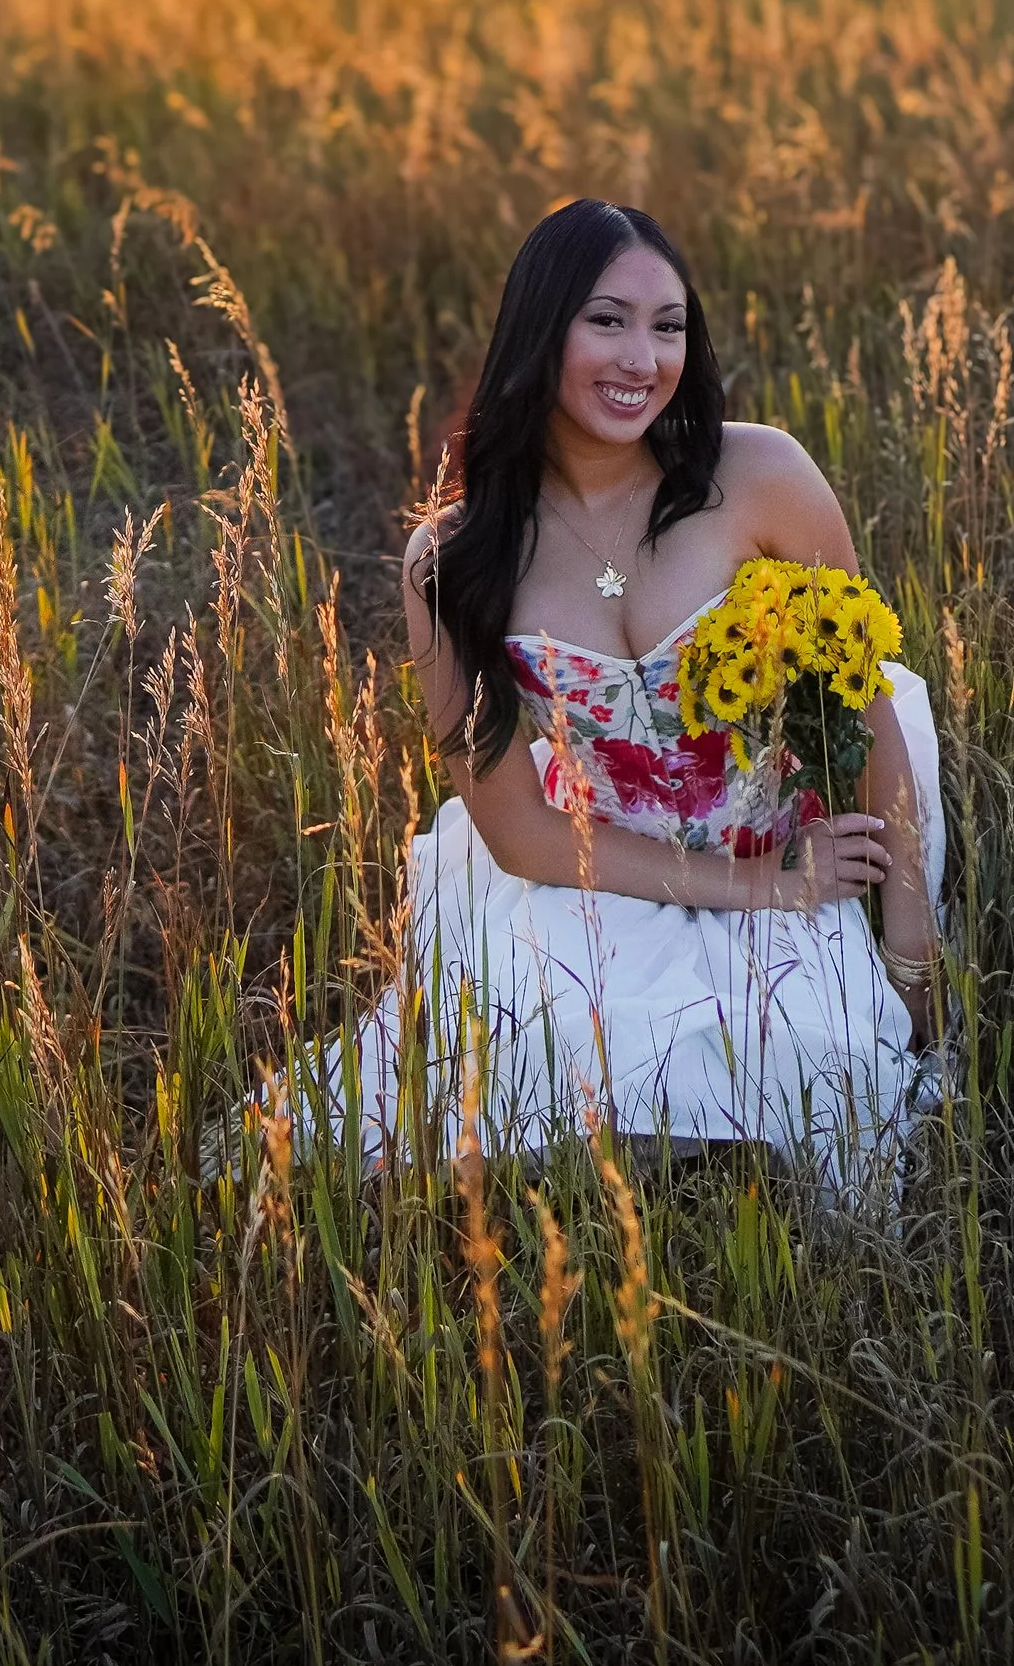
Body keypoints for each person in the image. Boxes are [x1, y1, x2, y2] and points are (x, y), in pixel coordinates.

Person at [344, 197, 945, 1179]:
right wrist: (756, 888)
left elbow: (863, 709)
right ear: (540, 328)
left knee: (821, 1065)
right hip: (600, 865)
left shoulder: (759, 475)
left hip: (803, 836)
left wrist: (908, 946)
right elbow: (522, 833)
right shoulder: (450, 559)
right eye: (606, 319)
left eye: (668, 326)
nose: (642, 359)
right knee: (542, 1064)